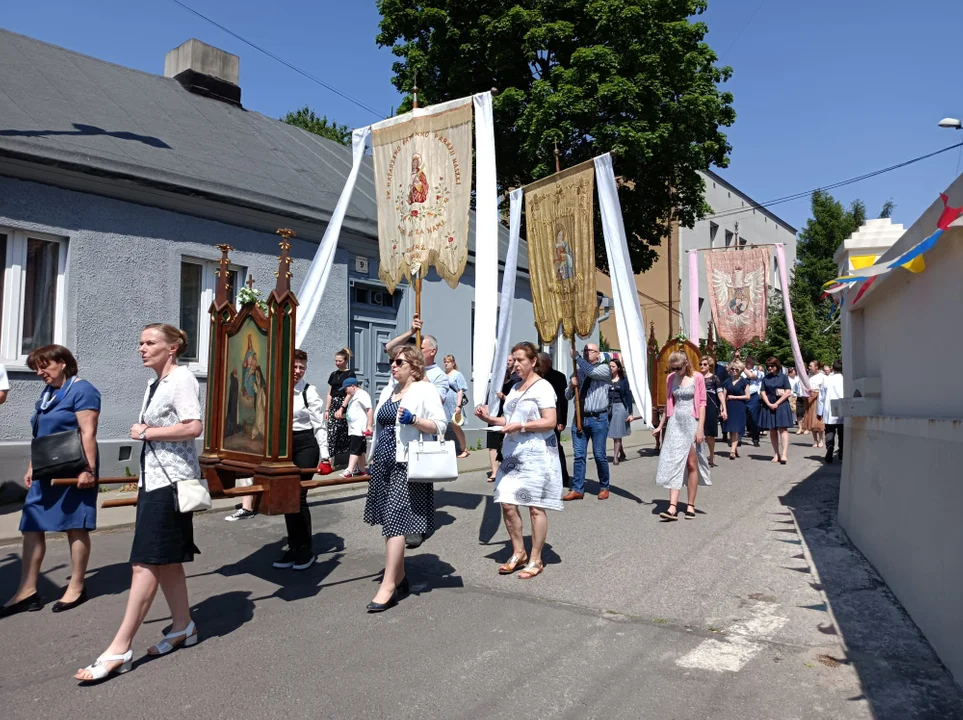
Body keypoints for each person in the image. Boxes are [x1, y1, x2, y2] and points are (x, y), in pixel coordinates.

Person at [75, 324, 203, 682]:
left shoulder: (181, 379)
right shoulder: (156, 382)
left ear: (172, 348)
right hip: (155, 480)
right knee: (167, 561)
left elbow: (194, 427)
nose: (141, 349)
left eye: (150, 343)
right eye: (140, 343)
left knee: (143, 563)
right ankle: (183, 626)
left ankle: (120, 648)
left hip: (171, 483)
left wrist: (147, 431)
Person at [1, 346, 100, 617]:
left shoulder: (83, 390)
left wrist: (88, 470)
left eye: (44, 365)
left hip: (74, 468)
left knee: (74, 526)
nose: (39, 372)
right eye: (36, 367)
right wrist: (32, 466)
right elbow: (41, 434)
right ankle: (27, 590)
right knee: (31, 525)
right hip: (46, 468)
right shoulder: (48, 393)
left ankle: (77, 586)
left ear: (63, 363)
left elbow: (88, 432)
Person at [363, 345, 447, 612]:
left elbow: (440, 424)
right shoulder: (389, 390)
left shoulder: (425, 389)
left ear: (414, 366)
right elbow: (380, 425)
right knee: (388, 521)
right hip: (383, 463)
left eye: (399, 362)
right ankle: (399, 578)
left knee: (395, 521)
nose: (393, 365)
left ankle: (388, 586)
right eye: (392, 362)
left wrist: (416, 421)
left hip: (407, 464)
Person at [475, 342, 562, 579]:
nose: (516, 364)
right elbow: (509, 419)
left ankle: (536, 558)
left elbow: (550, 421)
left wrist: (521, 425)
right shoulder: (514, 388)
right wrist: (490, 418)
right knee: (506, 501)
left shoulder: (543, 387)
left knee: (535, 507)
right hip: (514, 454)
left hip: (537, 454)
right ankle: (518, 552)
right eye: (514, 360)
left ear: (533, 361)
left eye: (521, 360)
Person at [268, 349, 327, 569]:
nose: (298, 371)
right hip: (284, 445)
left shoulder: (309, 392)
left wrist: (326, 456)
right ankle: (293, 547)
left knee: (298, 496)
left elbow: (318, 425)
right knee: (286, 496)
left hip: (305, 445)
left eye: (301, 367)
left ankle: (306, 549)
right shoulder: (277, 389)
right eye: (294, 366)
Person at [651, 352, 710, 520]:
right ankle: (672, 507)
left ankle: (690, 504)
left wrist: (700, 429)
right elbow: (669, 404)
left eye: (679, 368)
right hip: (676, 422)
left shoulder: (697, 377)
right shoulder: (671, 378)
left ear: (686, 363)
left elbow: (702, 404)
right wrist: (660, 426)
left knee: (692, 463)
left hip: (692, 421)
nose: (676, 371)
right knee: (675, 461)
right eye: (673, 368)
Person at [563, 343, 612, 501]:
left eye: (590, 350)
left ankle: (604, 486)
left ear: (598, 354)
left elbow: (592, 372)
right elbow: (567, 396)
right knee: (579, 456)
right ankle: (577, 488)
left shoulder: (604, 369)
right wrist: (571, 385)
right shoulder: (578, 371)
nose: (586, 353)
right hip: (580, 418)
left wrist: (576, 357)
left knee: (599, 455)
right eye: (584, 350)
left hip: (598, 418)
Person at [538, 352, 570, 487]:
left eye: (541, 363)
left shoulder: (558, 377)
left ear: (548, 363)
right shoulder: (536, 377)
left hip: (554, 419)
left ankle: (563, 476)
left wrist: (561, 420)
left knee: (555, 447)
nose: (539, 366)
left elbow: (562, 401)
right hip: (538, 419)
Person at [486, 357, 518, 482]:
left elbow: (515, 402)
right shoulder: (494, 387)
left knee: (505, 443)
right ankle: (494, 472)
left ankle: (506, 469)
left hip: (506, 417)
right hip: (494, 416)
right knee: (492, 445)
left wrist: (504, 397)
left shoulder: (513, 385)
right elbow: (488, 401)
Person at [758, 357, 793, 464]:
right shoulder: (765, 378)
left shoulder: (783, 377)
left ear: (777, 366)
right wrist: (769, 403)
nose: (769, 368)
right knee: (772, 430)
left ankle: (784, 454)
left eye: (772, 366)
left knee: (783, 429)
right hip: (769, 405)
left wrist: (777, 403)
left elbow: (788, 391)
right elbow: (763, 392)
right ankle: (776, 453)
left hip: (781, 405)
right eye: (768, 366)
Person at [326, 348, 356, 468]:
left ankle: (350, 462)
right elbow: (330, 393)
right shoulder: (333, 374)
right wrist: (327, 409)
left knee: (345, 433)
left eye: (339, 361)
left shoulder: (350, 374)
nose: (337, 363)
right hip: (334, 404)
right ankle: (329, 461)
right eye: (336, 361)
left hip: (345, 405)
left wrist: (342, 408)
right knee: (331, 432)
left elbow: (350, 393)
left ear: (345, 360)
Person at [341, 377, 373, 477]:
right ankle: (362, 469)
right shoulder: (353, 395)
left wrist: (369, 425)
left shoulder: (362, 395)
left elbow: (369, 409)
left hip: (359, 428)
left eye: (346, 388)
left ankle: (349, 470)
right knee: (361, 450)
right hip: (354, 427)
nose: (345, 391)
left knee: (354, 449)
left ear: (353, 386)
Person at [443, 354, 471, 459]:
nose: (446, 364)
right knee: (442, 426)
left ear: (453, 363)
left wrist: (458, 405)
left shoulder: (457, 374)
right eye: (445, 361)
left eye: (448, 362)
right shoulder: (443, 375)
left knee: (456, 427)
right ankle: (441, 449)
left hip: (454, 403)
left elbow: (460, 390)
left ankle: (464, 449)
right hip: (444, 404)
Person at [607, 357, 633, 466]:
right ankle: (621, 452)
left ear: (618, 368)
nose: (610, 368)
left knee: (617, 433)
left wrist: (630, 413)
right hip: (609, 408)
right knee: (613, 433)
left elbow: (628, 396)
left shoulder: (623, 380)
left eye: (613, 366)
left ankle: (615, 457)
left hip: (620, 407)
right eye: (609, 366)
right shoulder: (606, 379)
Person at [699, 356, 725, 467]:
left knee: (710, 434)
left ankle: (711, 455)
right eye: (700, 364)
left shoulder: (714, 378)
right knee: (698, 432)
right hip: (699, 406)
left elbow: (720, 393)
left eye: (705, 364)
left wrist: (723, 407)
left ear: (710, 366)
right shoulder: (696, 377)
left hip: (710, 407)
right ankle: (699, 456)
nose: (702, 366)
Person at [722, 361, 749, 460]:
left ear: (741, 370)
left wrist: (734, 397)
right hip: (729, 407)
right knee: (731, 428)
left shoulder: (744, 382)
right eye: (732, 369)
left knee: (737, 429)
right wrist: (723, 408)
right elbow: (723, 396)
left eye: (736, 369)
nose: (734, 371)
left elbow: (748, 396)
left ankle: (732, 450)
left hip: (739, 406)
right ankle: (735, 447)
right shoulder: (727, 381)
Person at [820, 360, 845, 464]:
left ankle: (829, 448)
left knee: (829, 431)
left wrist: (819, 411)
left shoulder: (827, 380)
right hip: (843, 408)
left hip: (829, 409)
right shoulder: (845, 380)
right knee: (842, 433)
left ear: (832, 369)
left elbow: (821, 397)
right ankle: (841, 454)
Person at [742, 356, 764, 446]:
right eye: (746, 361)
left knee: (754, 419)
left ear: (753, 363)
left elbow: (751, 376)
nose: (747, 363)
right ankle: (737, 438)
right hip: (742, 396)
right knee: (741, 418)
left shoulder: (759, 372)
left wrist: (742, 367)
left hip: (753, 396)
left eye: (749, 362)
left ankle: (755, 438)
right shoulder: (740, 372)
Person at [805, 361, 826, 448]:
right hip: (810, 400)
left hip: (818, 399)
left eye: (811, 366)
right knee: (811, 420)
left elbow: (824, 389)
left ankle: (821, 439)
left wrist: (815, 392)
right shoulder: (808, 377)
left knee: (818, 420)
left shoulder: (822, 377)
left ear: (816, 367)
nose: (809, 367)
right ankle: (815, 440)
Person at [788, 367, 807, 434]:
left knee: (805, 414)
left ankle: (805, 428)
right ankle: (800, 428)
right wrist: (794, 395)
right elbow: (794, 390)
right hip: (798, 398)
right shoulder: (797, 382)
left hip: (805, 398)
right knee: (798, 413)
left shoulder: (807, 382)